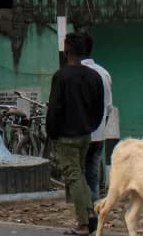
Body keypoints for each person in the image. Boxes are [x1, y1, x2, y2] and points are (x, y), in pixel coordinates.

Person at [47, 33, 105, 236]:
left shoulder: (61, 76)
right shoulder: (94, 76)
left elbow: (54, 109)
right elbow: (100, 109)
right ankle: (89, 212)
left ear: (67, 50)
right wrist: (90, 126)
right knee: (79, 174)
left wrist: (52, 133)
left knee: (74, 176)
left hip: (67, 137)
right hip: (86, 136)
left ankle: (84, 222)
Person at [78, 31, 116, 206]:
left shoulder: (74, 73)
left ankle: (89, 207)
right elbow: (109, 106)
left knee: (78, 172)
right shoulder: (104, 72)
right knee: (92, 169)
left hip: (79, 132)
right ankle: (95, 204)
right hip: (99, 130)